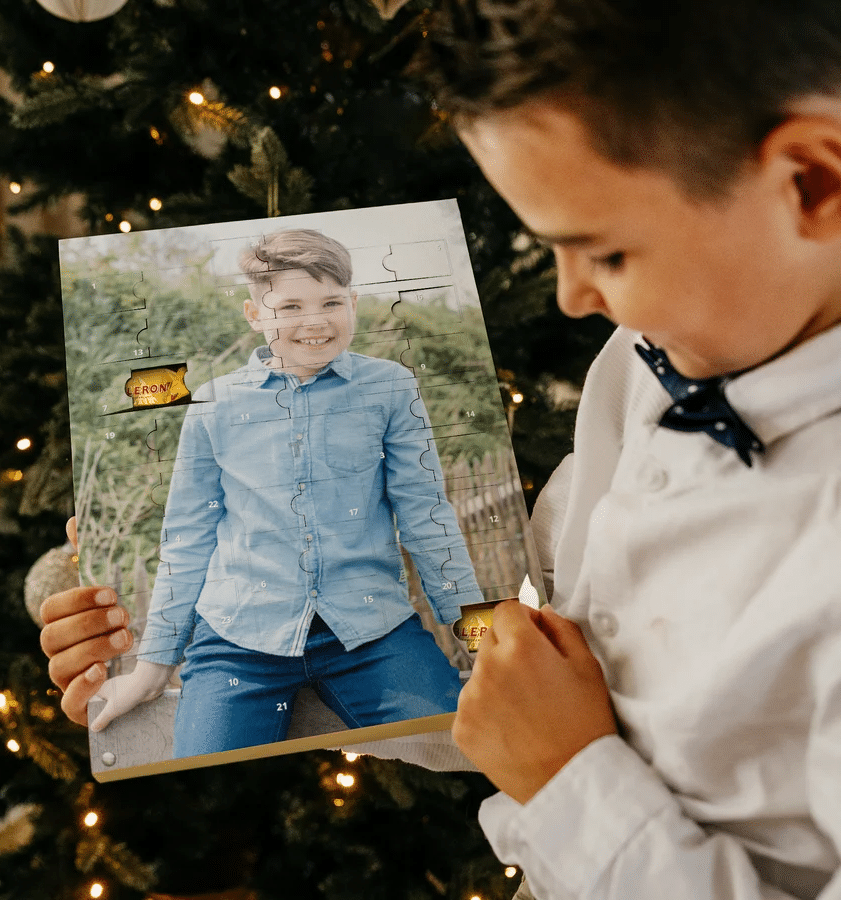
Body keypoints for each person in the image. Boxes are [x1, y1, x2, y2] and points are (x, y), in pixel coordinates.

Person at [41, 1, 841, 897]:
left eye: (607, 252)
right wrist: (141, 658)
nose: (575, 298)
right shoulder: (652, 354)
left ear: (812, 181)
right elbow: (534, 664)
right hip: (252, 635)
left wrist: (568, 779)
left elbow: (534, 713)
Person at [42, 228, 482, 758]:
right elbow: (187, 537)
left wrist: (483, 640)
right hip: (236, 642)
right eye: (290, 305)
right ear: (255, 314)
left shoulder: (389, 387)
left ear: (355, 304)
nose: (314, 320)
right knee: (207, 764)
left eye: (331, 302)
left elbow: (427, 515)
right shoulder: (213, 403)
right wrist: (154, 665)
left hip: (374, 633)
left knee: (467, 743)